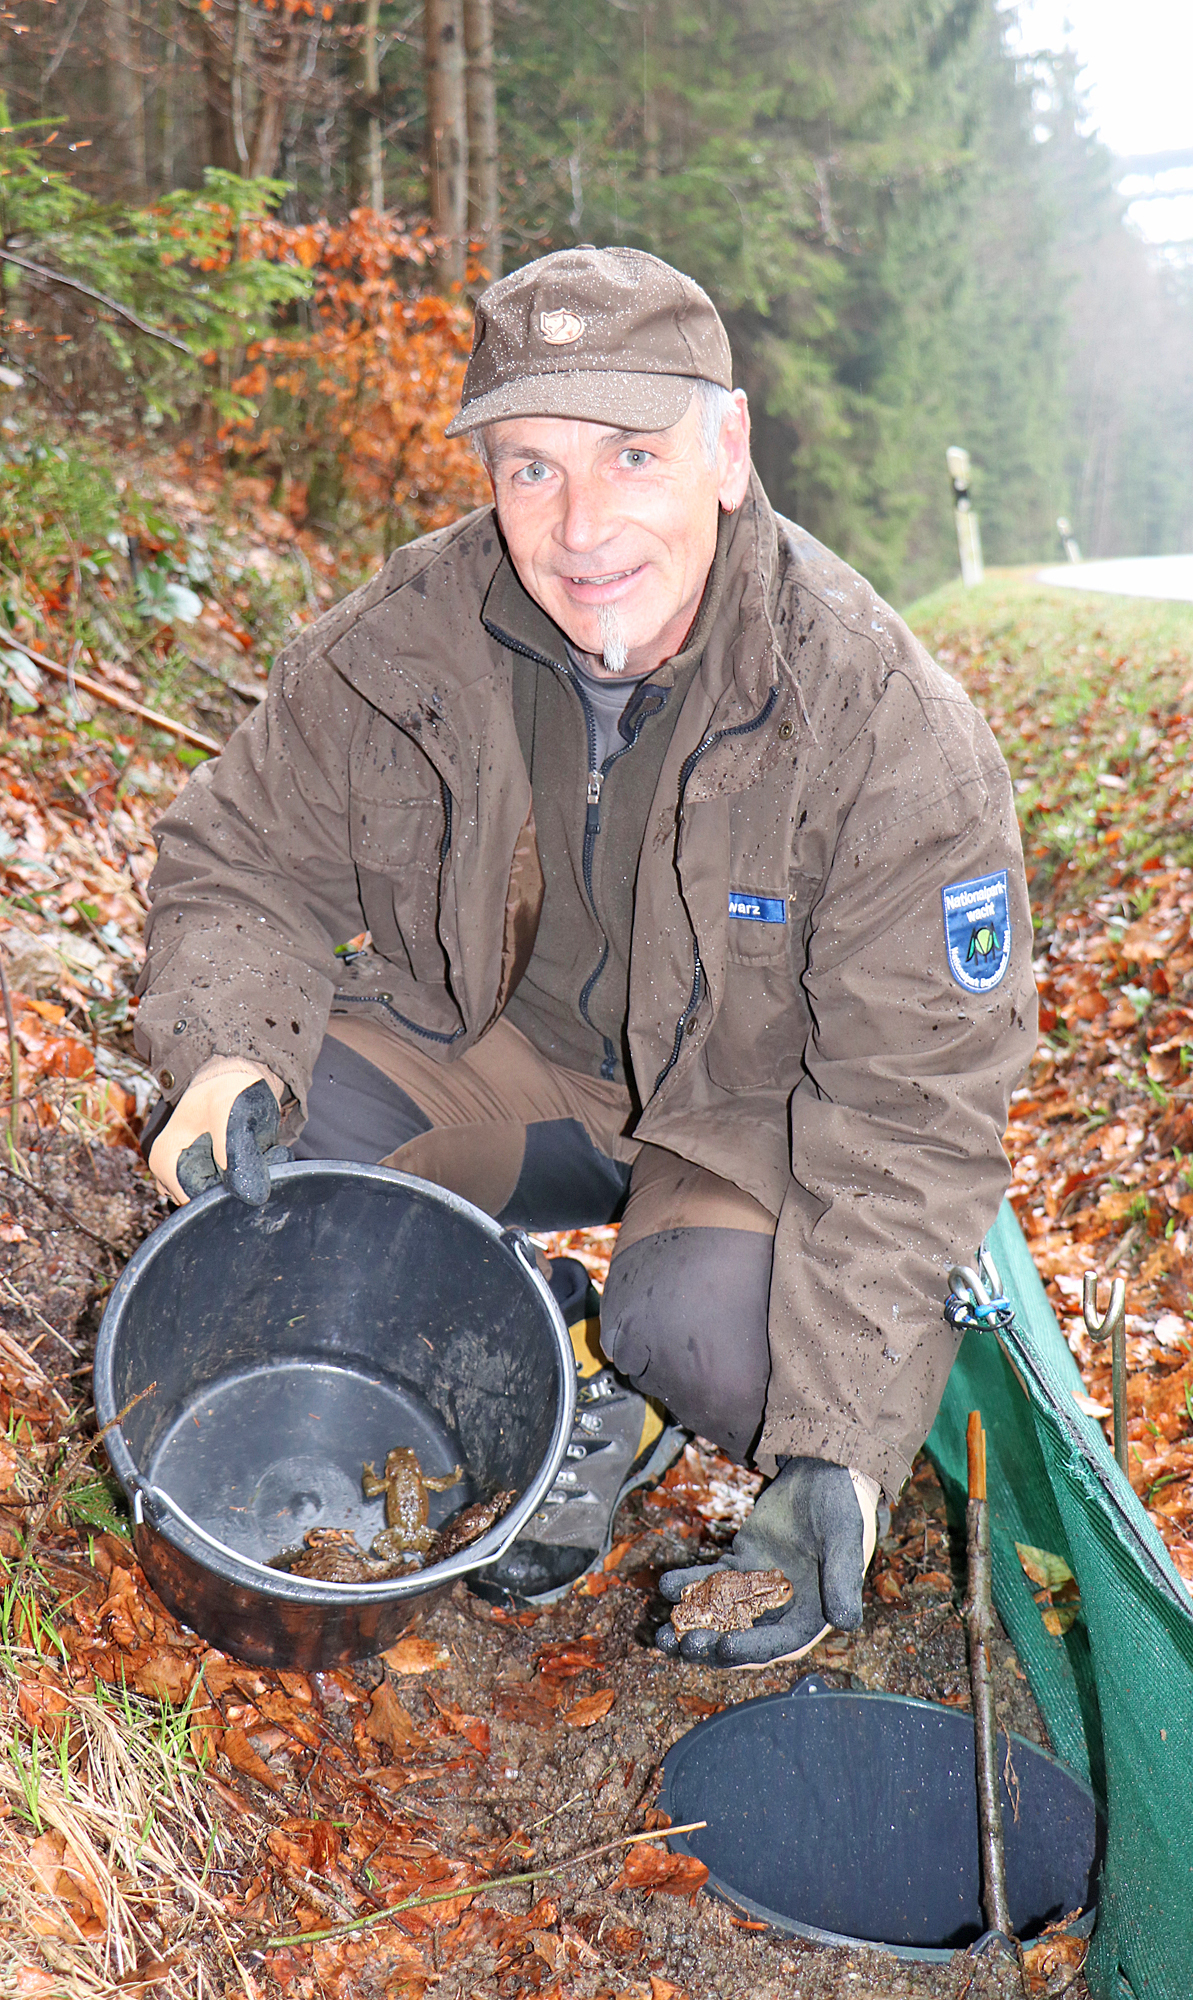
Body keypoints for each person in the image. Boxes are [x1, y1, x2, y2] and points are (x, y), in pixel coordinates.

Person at [136, 245, 1036, 1666]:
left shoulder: (878, 722)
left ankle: (634, 1371)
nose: (582, 525)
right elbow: (237, 858)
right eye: (532, 468)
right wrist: (228, 1056)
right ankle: (540, 1343)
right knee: (275, 1191)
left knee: (728, 1356)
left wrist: (838, 1462)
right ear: (487, 478)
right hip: (503, 1057)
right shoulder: (404, 639)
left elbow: (915, 1106)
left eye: (631, 453)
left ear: (724, 449)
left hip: (746, 1119)